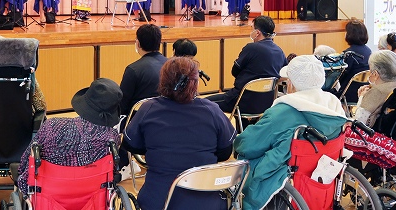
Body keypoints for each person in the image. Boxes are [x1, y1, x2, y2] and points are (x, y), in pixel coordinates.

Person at [234, 55, 347, 210]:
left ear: (291, 84)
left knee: (245, 159)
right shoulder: (335, 107)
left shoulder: (282, 112)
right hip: (322, 174)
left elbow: (248, 145)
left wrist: (237, 143)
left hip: (288, 175)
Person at [123, 57, 236, 210]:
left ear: (163, 80)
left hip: (159, 201)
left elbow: (131, 145)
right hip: (206, 203)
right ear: (195, 83)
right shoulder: (212, 110)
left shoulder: (148, 108)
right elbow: (225, 152)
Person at [16, 78, 122, 195]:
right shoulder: (112, 137)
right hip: (92, 195)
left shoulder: (52, 126)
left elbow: (27, 159)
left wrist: (19, 173)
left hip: (50, 194)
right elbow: (112, 172)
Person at [207, 15, 287, 113]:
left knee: (204, 104)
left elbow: (234, 71)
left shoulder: (251, 48)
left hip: (242, 100)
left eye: (252, 28)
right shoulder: (279, 51)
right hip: (266, 103)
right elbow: (283, 74)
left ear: (257, 32)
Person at [119, 24, 168, 117]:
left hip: (139, 120)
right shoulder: (173, 66)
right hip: (167, 118)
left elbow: (122, 106)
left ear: (138, 43)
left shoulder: (133, 70)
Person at [353, 49, 396, 127]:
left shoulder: (376, 91)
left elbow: (359, 122)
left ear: (375, 74)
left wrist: (361, 97)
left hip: (374, 132)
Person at [337, 20, 372, 103]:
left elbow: (340, 77)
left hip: (348, 94)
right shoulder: (369, 51)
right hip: (365, 92)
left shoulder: (349, 54)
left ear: (349, 34)